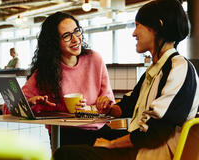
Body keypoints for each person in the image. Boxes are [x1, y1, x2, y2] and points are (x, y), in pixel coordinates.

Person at [53, 0, 199, 160]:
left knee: (65, 154)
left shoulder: (179, 68)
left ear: (158, 26)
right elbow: (129, 105)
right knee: (79, 139)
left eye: (138, 25)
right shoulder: (156, 69)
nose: (134, 33)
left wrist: (111, 145)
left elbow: (156, 131)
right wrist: (109, 108)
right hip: (144, 147)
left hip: (154, 153)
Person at [3, 12, 121, 146]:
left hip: (99, 130)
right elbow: (8, 108)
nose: (76, 39)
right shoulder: (45, 72)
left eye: (77, 31)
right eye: (66, 36)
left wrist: (96, 106)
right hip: (65, 135)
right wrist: (30, 102)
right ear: (54, 42)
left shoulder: (94, 59)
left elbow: (109, 102)